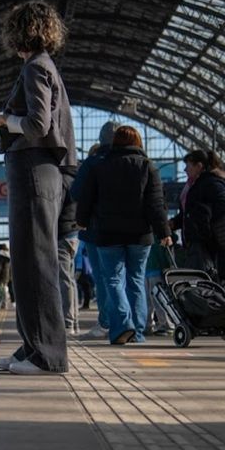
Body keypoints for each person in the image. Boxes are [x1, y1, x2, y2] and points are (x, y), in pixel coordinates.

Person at [0, 0, 76, 375]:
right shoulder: (43, 68)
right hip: (40, 172)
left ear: (19, 33)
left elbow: (36, 125)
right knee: (29, 263)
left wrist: (3, 118)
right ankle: (32, 346)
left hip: (36, 173)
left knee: (37, 263)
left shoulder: (35, 67)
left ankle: (47, 355)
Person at [76, 125, 171, 344]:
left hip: (108, 234)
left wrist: (81, 221)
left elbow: (86, 197)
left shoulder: (100, 165)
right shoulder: (148, 166)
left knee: (112, 280)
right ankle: (137, 332)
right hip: (140, 236)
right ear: (138, 142)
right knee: (136, 280)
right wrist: (164, 232)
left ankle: (121, 326)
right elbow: (155, 204)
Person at [72, 124, 118, 339]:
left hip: (96, 230)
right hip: (131, 232)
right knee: (128, 279)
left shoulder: (92, 163)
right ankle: (131, 325)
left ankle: (107, 323)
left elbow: (76, 192)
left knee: (104, 279)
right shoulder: (139, 162)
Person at [179, 150, 225, 277]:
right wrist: (175, 222)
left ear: (199, 166)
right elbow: (190, 212)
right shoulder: (195, 184)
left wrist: (206, 225)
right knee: (198, 278)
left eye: (188, 165)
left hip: (203, 241)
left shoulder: (210, 183)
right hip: (196, 239)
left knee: (200, 279)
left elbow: (223, 204)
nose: (185, 170)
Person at [58, 169, 80, 335]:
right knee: (70, 279)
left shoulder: (62, 180)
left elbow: (55, 208)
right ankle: (73, 321)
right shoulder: (77, 178)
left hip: (62, 232)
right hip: (73, 233)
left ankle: (67, 322)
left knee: (64, 278)